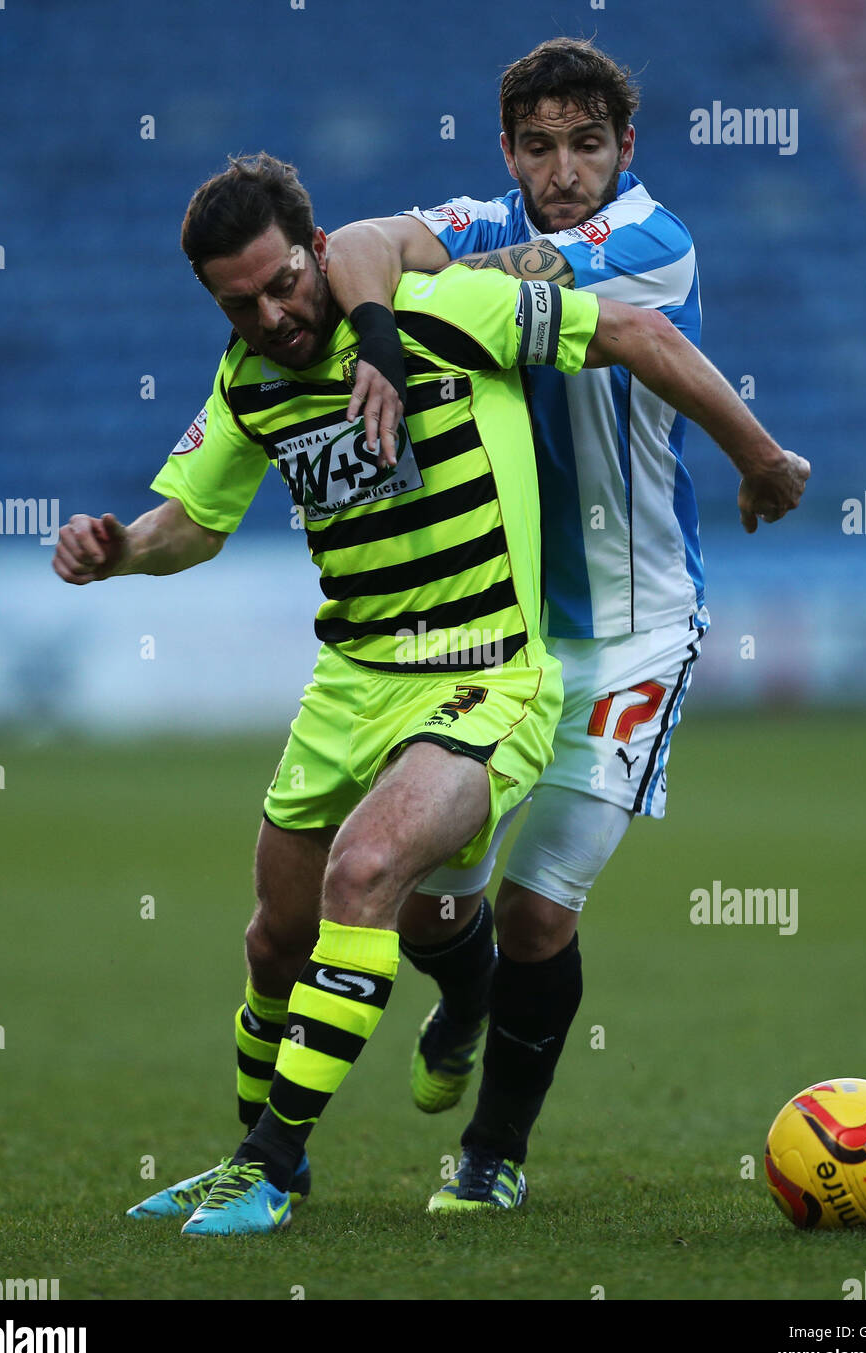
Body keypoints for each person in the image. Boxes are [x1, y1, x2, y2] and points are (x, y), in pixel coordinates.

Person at [60, 140, 805, 1235]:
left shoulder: (441, 311)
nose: (269, 317)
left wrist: (757, 455)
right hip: (350, 679)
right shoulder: (247, 380)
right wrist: (119, 545)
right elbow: (195, 523)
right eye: (239, 303)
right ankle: (268, 1148)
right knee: (274, 937)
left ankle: (271, 1164)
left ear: (319, 251)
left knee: (364, 874)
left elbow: (640, 332)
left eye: (280, 284)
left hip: (484, 671)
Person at [322, 37, 811, 1212]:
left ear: (622, 149)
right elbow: (349, 247)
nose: (562, 168)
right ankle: (464, 990)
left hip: (638, 624)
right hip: (506, 627)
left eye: (585, 144)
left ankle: (493, 1154)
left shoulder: (651, 240)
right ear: (506, 149)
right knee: (439, 897)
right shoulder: (485, 213)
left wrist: (760, 459)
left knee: (538, 908)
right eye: (537, 146)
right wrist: (384, 326)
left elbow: (552, 293)